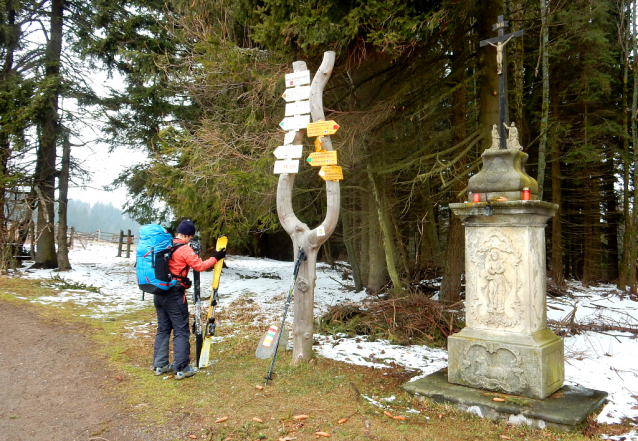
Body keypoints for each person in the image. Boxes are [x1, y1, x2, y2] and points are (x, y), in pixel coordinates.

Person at [152, 219, 226, 379]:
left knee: (163, 329)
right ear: (188, 235)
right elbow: (199, 266)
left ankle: (160, 365)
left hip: (158, 293)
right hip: (174, 295)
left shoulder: (165, 245)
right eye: (191, 237)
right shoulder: (184, 249)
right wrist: (216, 258)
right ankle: (181, 368)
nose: (190, 240)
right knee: (181, 330)